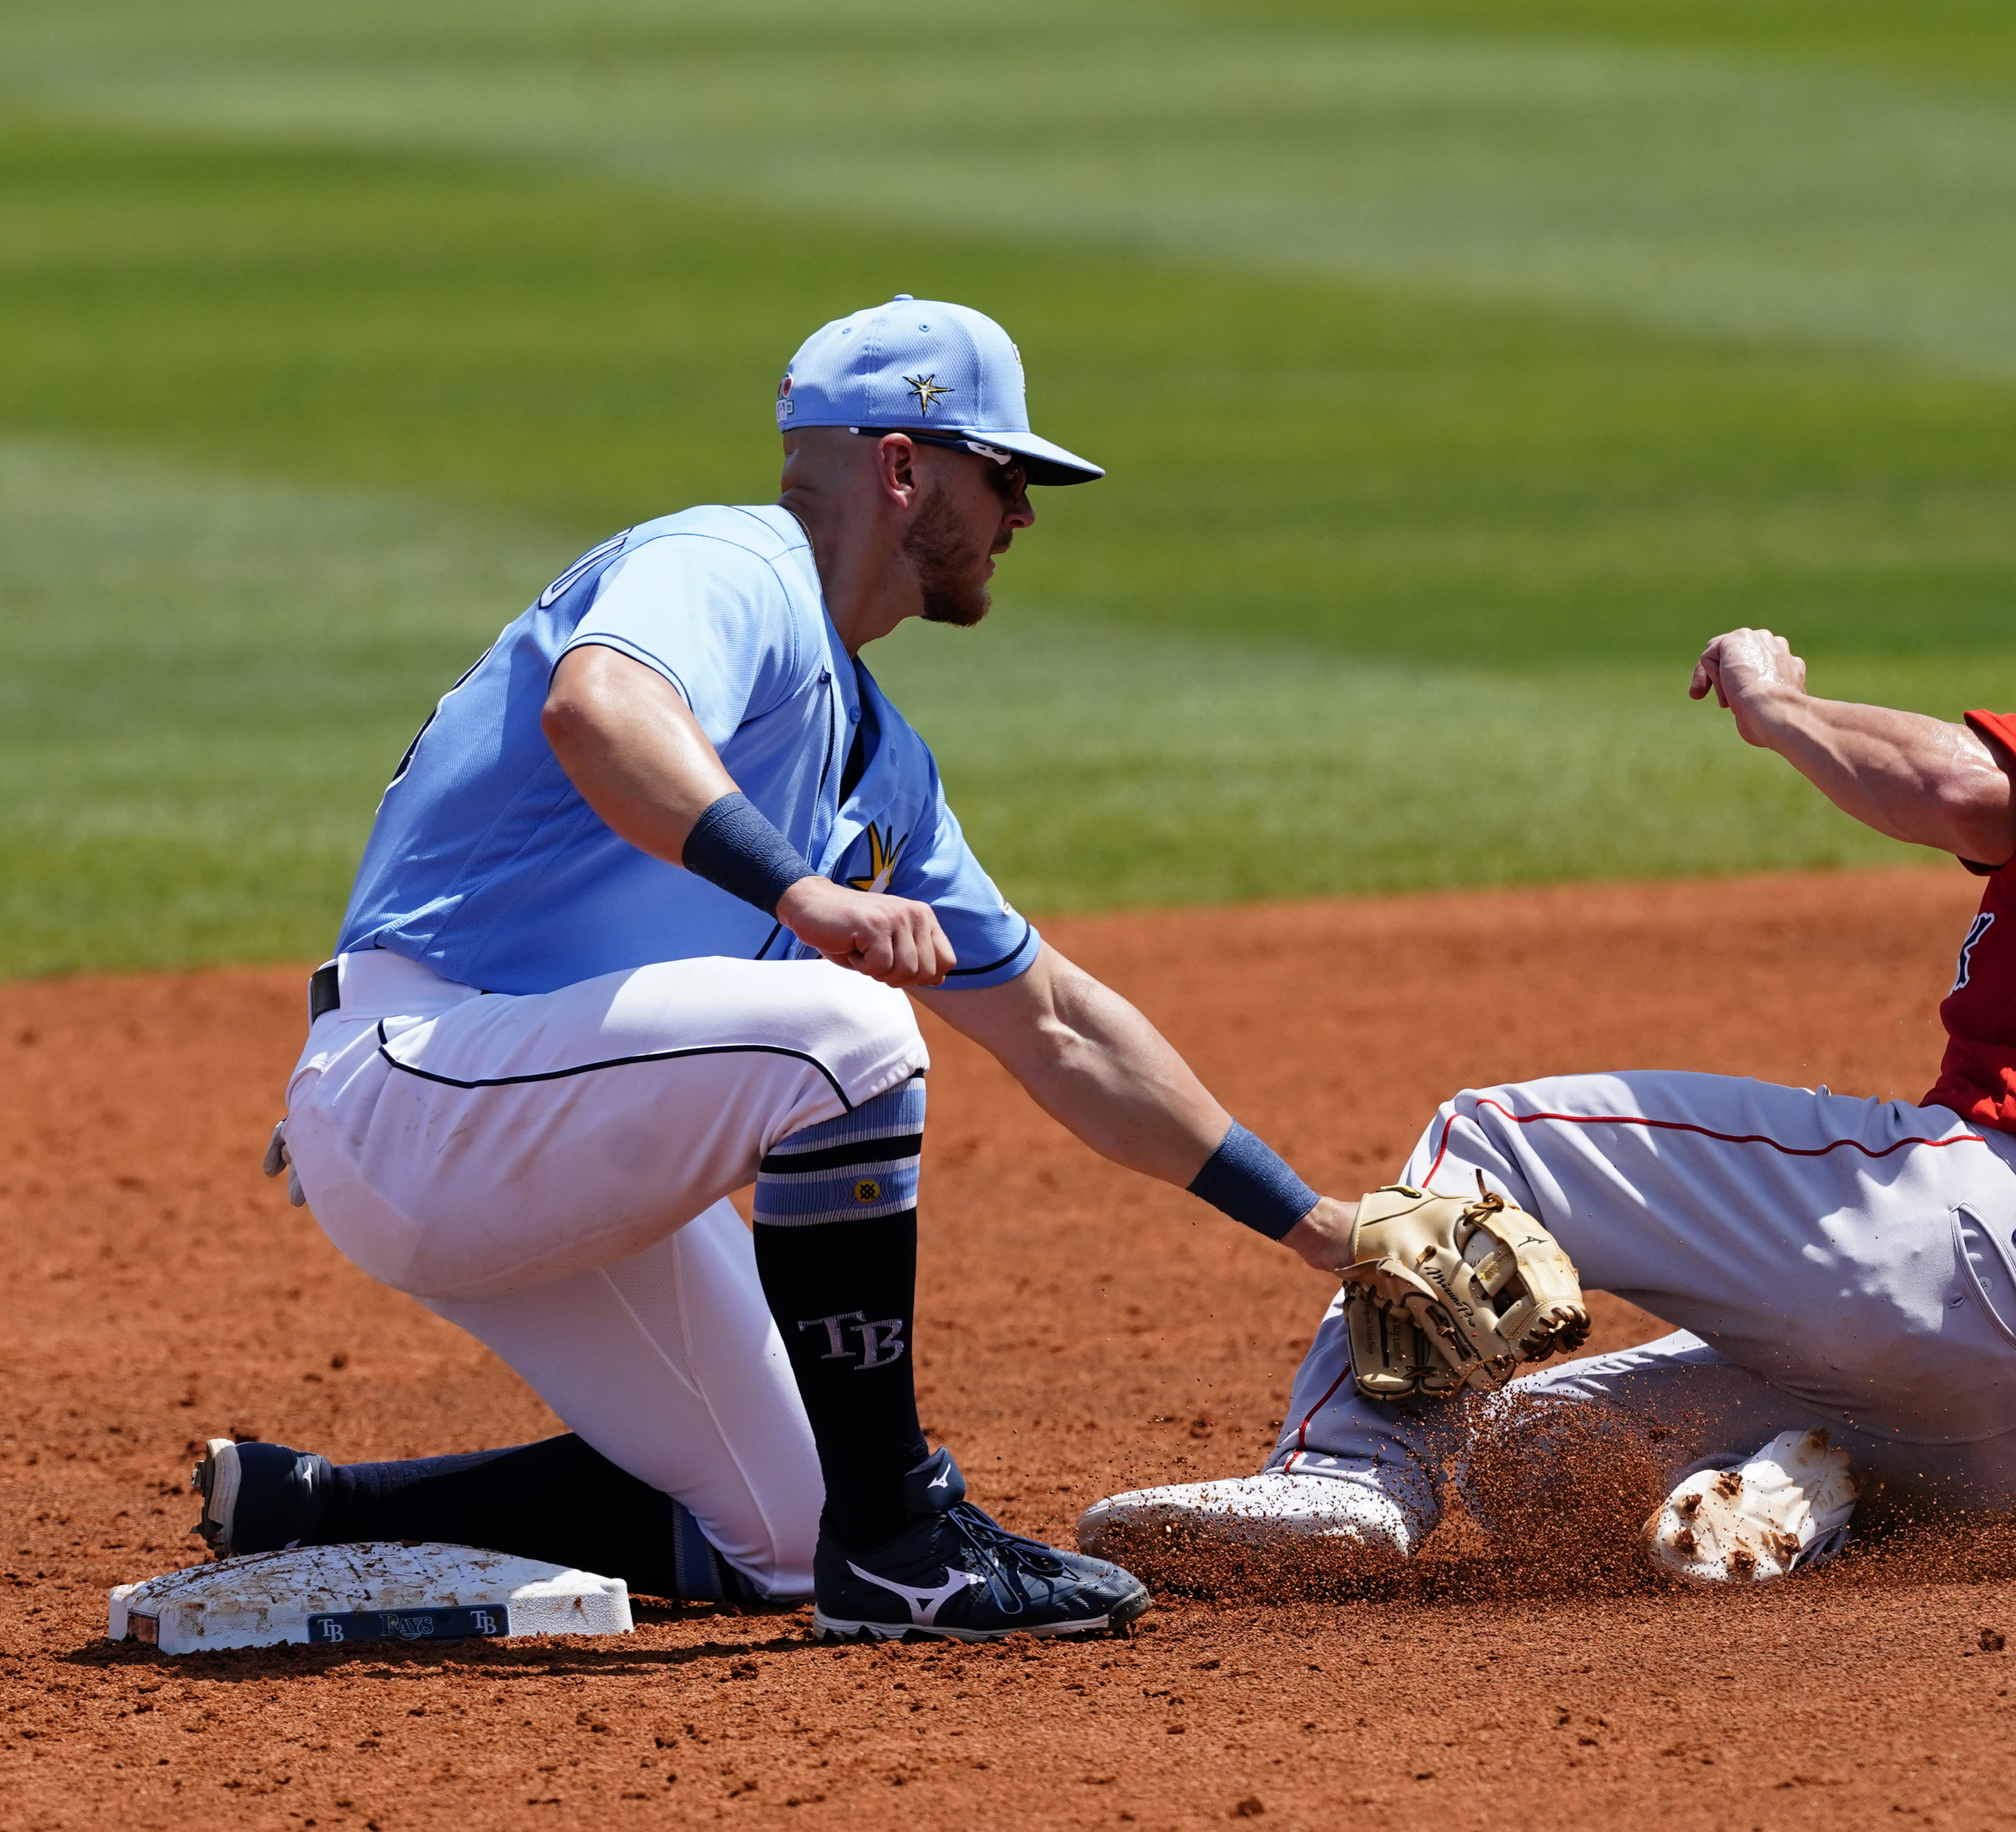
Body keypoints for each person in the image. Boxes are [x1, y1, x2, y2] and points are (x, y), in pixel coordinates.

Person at [200, 297, 1361, 1643]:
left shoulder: (879, 758)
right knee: (846, 1038)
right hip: (422, 1080)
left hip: (525, 1119)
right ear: (904, 467)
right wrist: (802, 892)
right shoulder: (728, 564)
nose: (1024, 517)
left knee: (779, 1525)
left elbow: (1057, 1025)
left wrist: (1319, 1226)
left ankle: (314, 1507)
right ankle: (905, 1544)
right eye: (1006, 476)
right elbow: (601, 708)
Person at [1078, 552, 2016, 1578]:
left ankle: (1347, 1475)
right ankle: (1801, 1489)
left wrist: (1778, 704)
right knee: (1536, 1455)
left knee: (1495, 1140)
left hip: (1971, 1239)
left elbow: (1948, 782)